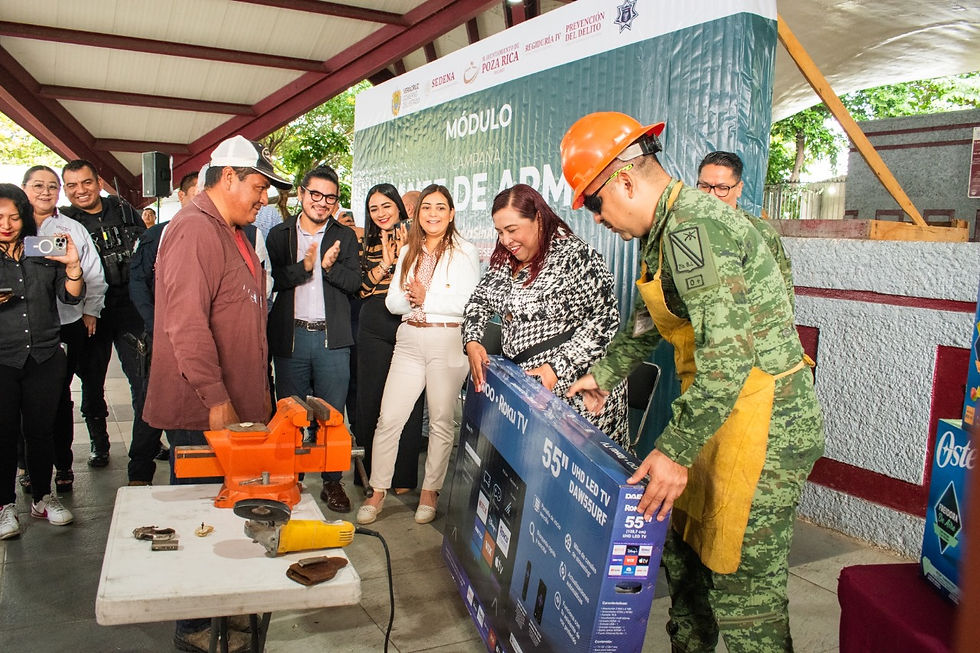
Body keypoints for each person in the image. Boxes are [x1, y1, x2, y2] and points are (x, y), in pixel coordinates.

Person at [561, 112, 824, 652]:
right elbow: (646, 322)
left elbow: (729, 356)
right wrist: (603, 376)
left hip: (762, 420)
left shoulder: (694, 229)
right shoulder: (661, 232)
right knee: (685, 563)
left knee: (743, 591)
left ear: (624, 181)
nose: (598, 218)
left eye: (594, 203)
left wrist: (675, 450)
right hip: (712, 412)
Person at [142, 135, 289, 653]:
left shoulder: (232, 231)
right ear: (228, 177)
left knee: (227, 514)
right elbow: (185, 325)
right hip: (205, 411)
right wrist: (216, 399)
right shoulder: (193, 230)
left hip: (236, 405)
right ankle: (195, 628)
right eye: (259, 188)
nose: (265, 199)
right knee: (201, 520)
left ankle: (225, 612)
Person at [463, 184, 628, 443]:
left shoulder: (575, 256)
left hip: (577, 395)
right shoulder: (505, 259)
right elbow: (479, 300)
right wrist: (472, 340)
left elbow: (604, 320)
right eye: (500, 232)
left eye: (512, 230)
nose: (505, 240)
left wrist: (556, 368)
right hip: (528, 392)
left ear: (538, 219)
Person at [356, 184, 480, 525]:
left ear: (451, 214)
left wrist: (428, 298)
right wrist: (412, 299)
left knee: (440, 420)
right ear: (417, 213)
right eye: (427, 207)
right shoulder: (410, 249)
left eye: (440, 207)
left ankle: (430, 492)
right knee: (389, 418)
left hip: (447, 340)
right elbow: (393, 302)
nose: (433, 214)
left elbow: (470, 304)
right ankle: (377, 490)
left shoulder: (465, 251)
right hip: (409, 338)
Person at [266, 165, 360, 514]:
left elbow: (355, 284)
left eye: (330, 197)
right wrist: (305, 267)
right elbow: (272, 280)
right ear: (302, 194)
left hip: (331, 340)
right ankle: (291, 477)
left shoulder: (345, 236)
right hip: (290, 338)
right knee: (291, 415)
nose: (322, 202)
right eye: (316, 194)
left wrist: (329, 267)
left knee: (332, 416)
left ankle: (332, 481)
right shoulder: (279, 234)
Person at [15, 166, 106, 495]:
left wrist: (91, 310)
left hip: (66, 324)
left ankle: (63, 464)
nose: (45, 192)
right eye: (38, 185)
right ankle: (26, 464)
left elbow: (92, 272)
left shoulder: (71, 228)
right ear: (24, 188)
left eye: (52, 186)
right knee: (19, 400)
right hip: (18, 327)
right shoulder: (11, 227)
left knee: (58, 397)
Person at [0, 184, 84, 539]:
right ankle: (4, 506)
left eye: (13, 217)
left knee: (41, 430)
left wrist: (74, 266)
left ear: (25, 216)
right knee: (4, 432)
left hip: (45, 354)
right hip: (3, 358)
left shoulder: (42, 248)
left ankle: (42, 498)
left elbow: (70, 296)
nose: (6, 225)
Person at [60, 159, 147, 468]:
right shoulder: (65, 221)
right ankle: (99, 442)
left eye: (86, 182)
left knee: (142, 377)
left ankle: (146, 441)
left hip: (130, 307)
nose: (80, 190)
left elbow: (146, 249)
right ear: (65, 190)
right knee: (92, 380)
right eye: (72, 185)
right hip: (90, 312)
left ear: (99, 183)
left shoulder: (123, 209)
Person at [125, 171, 199, 485]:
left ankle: (188, 480)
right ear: (181, 197)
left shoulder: (222, 234)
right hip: (160, 338)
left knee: (189, 415)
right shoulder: (157, 235)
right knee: (150, 406)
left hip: (196, 341)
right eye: (196, 194)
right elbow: (138, 284)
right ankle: (139, 474)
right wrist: (157, 325)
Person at [354, 184, 424, 495]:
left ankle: (403, 477)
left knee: (409, 400)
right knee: (371, 400)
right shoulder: (365, 243)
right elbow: (362, 290)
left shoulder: (419, 241)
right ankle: (369, 474)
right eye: (374, 209)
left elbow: (421, 283)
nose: (381, 213)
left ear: (399, 208)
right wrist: (385, 262)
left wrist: (404, 254)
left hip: (408, 322)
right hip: (373, 323)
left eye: (386, 206)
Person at [696, 151, 795, 307]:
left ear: (739, 188)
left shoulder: (760, 233)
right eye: (704, 186)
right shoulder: (685, 229)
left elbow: (783, 293)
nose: (711, 195)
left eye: (722, 188)